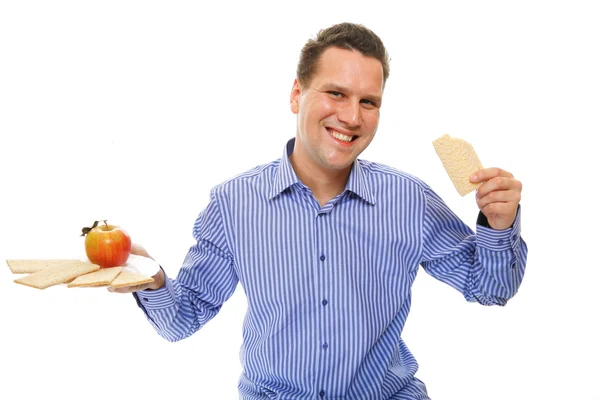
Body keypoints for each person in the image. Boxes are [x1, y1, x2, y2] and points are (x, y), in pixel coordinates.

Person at [110, 22, 527, 400]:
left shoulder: (409, 201)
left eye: (369, 102)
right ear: (297, 95)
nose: (351, 116)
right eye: (336, 93)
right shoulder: (234, 204)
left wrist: (498, 224)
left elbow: (491, 289)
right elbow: (182, 319)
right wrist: (151, 279)